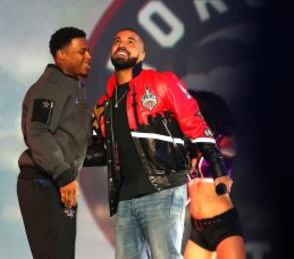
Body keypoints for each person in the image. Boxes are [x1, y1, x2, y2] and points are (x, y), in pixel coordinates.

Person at [85, 28, 231, 259]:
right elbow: (104, 150)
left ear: (142, 55)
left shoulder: (162, 83)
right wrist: (61, 161)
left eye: (131, 41)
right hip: (125, 199)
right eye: (117, 41)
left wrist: (219, 169)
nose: (122, 44)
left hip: (163, 189)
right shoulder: (105, 104)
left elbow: (195, 125)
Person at [17, 27, 92, 259]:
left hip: (57, 182)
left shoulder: (72, 88)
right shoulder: (50, 87)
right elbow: (38, 132)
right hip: (43, 182)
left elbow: (70, 143)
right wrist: (63, 174)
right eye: (82, 51)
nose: (88, 56)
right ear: (61, 55)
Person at [184, 90, 246, 259]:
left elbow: (230, 148)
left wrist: (207, 142)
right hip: (197, 229)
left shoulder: (223, 141)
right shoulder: (190, 150)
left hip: (223, 225)